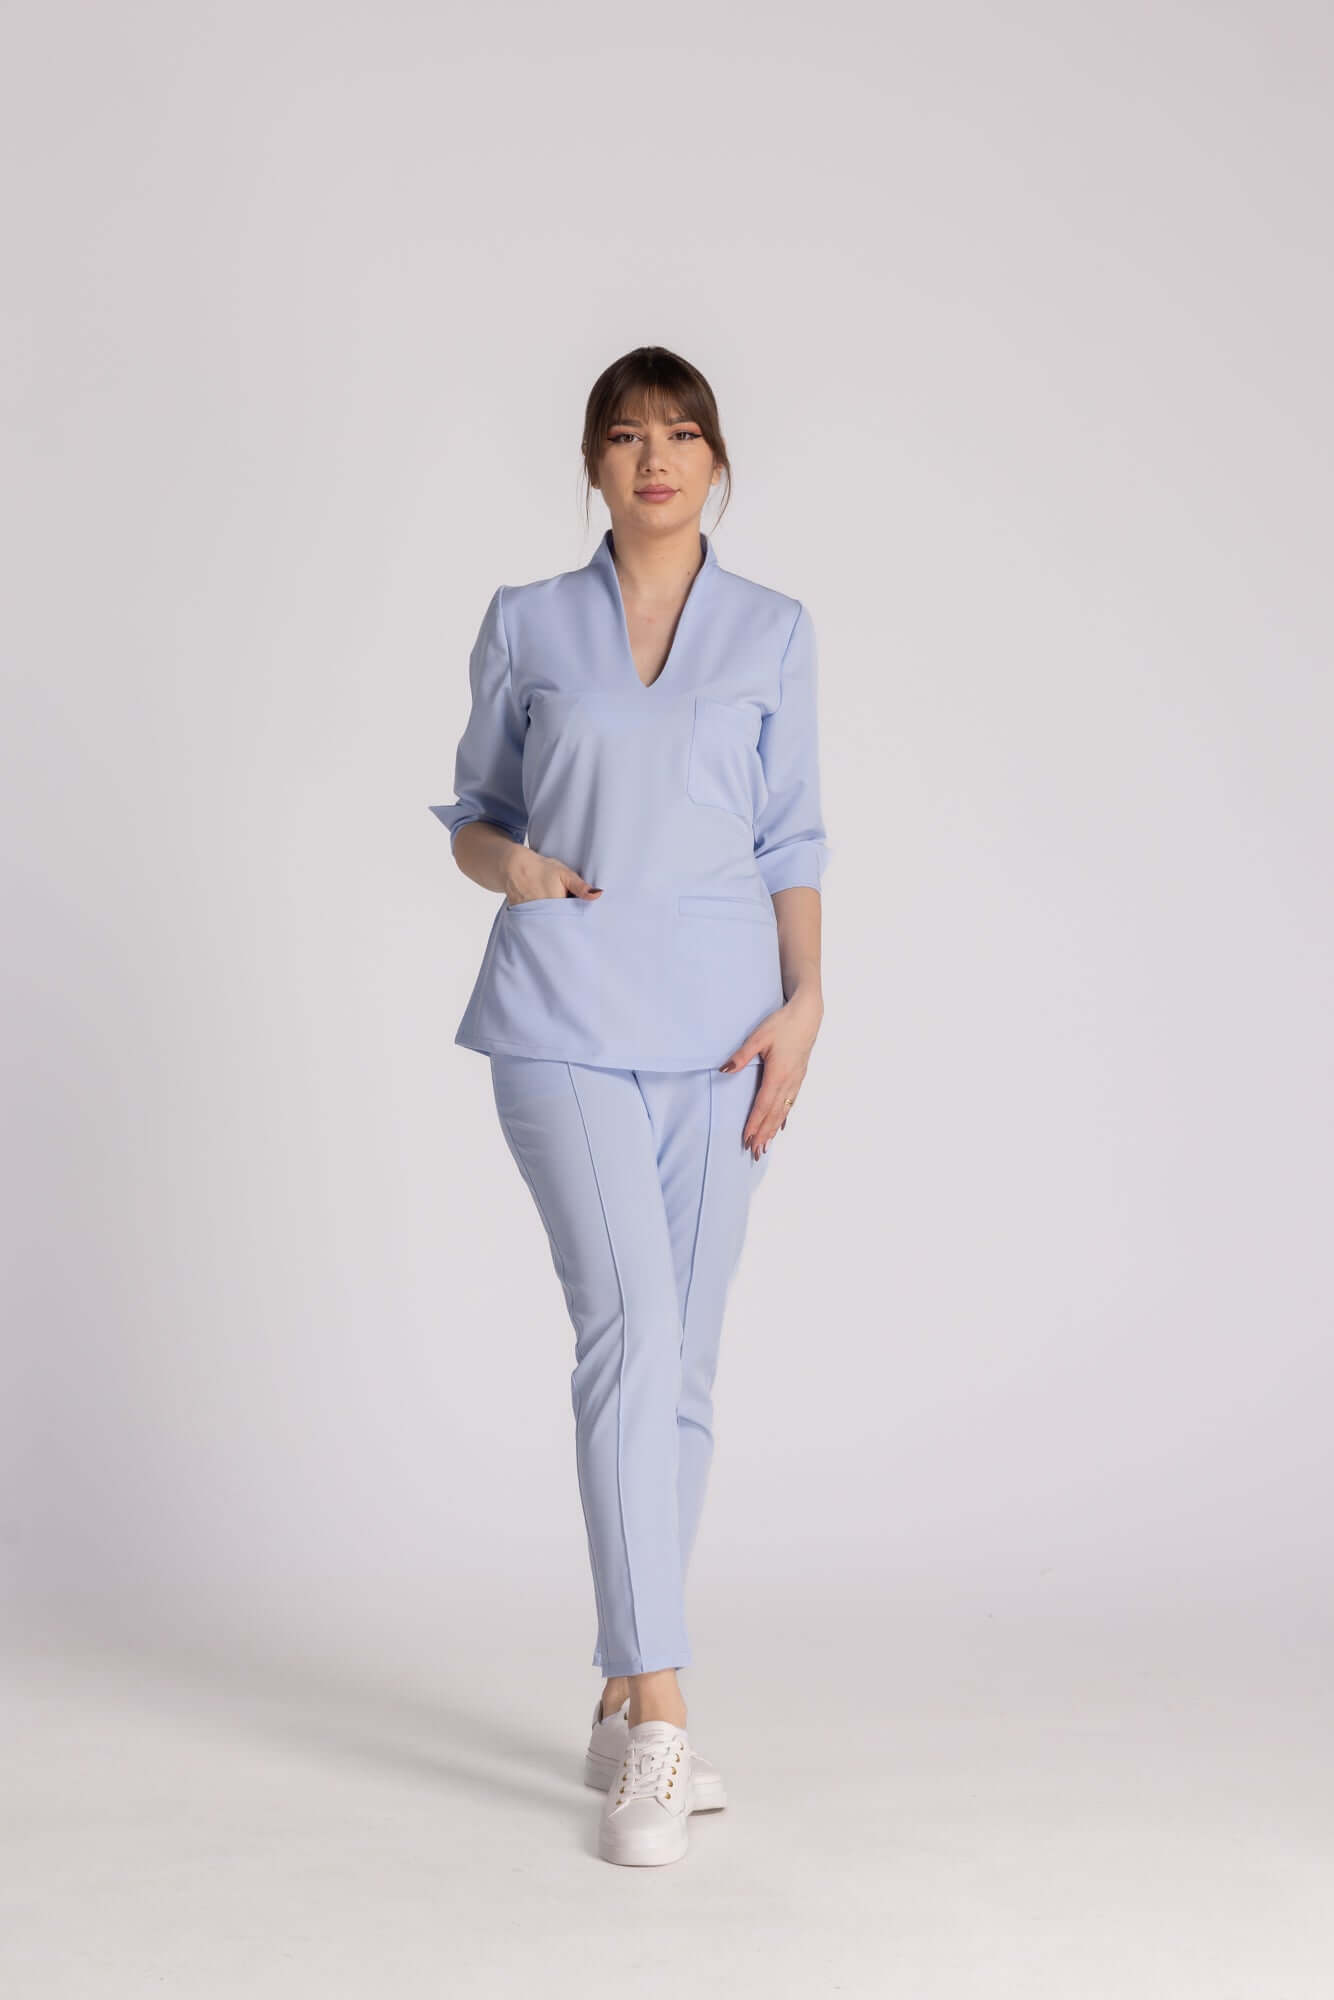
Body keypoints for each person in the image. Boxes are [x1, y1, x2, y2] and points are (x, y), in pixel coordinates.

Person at [431, 346, 831, 1865]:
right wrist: (518, 869)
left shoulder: (774, 632)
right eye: (624, 434)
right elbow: (474, 817)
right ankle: (660, 1718)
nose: (654, 456)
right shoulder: (525, 622)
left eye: (680, 432)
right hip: (564, 1021)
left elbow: (792, 836)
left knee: (685, 1368)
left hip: (726, 1040)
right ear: (591, 464)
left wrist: (804, 1006)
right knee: (632, 1329)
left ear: (715, 460)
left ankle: (616, 1688)